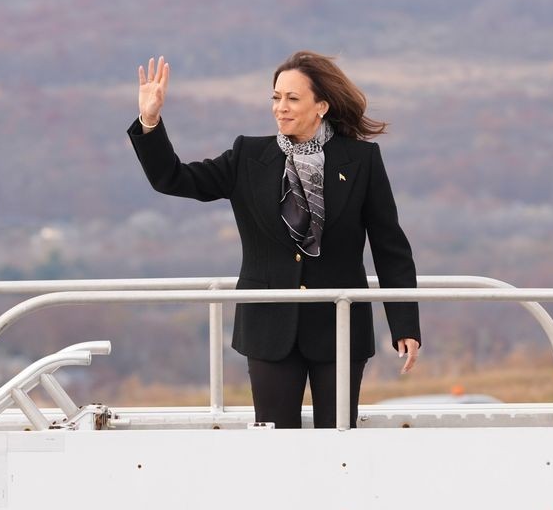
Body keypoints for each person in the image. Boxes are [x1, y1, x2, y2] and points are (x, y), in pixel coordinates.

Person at [128, 51, 420, 428]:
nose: (280, 108)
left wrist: (405, 325)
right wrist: (149, 121)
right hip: (268, 327)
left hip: (340, 324)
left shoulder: (361, 160)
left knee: (338, 443)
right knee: (276, 445)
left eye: (292, 99)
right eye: (276, 97)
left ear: (322, 106)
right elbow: (173, 179)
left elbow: (389, 245)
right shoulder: (248, 156)